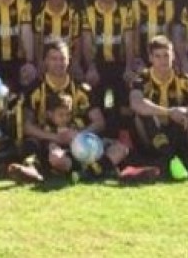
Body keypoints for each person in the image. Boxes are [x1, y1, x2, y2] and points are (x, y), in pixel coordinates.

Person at [8, 42, 143, 183]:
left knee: (121, 149)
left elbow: (99, 122)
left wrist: (79, 135)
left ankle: (86, 172)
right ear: (45, 61)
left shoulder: (81, 88)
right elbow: (27, 126)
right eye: (54, 59)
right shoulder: (34, 89)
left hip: (81, 141)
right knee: (48, 154)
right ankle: (33, 169)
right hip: (49, 142)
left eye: (62, 59)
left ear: (69, 61)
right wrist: (55, 137)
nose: (58, 63)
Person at [130, 36, 188, 181]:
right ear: (150, 58)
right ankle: (171, 160)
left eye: (166, 55)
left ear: (173, 56)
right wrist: (169, 112)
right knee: (145, 114)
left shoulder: (182, 78)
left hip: (178, 132)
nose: (163, 60)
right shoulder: (141, 79)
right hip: (152, 136)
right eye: (157, 56)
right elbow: (136, 104)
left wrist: (186, 110)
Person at [81, 0, 130, 136]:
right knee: (97, 100)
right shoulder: (87, 12)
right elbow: (86, 43)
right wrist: (91, 67)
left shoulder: (125, 11)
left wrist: (129, 67)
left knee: (123, 102)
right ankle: (98, 137)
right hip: (97, 64)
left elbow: (129, 42)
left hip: (119, 63)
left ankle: (123, 137)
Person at [125, 0, 177, 72]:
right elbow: (130, 36)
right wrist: (132, 62)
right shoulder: (133, 4)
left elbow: (171, 33)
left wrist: (175, 60)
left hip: (163, 57)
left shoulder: (169, 3)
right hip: (140, 57)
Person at [34, 0, 81, 71]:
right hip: (46, 61)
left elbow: (77, 43)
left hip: (67, 61)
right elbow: (37, 42)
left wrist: (75, 64)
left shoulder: (74, 13)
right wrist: (40, 63)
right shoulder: (39, 13)